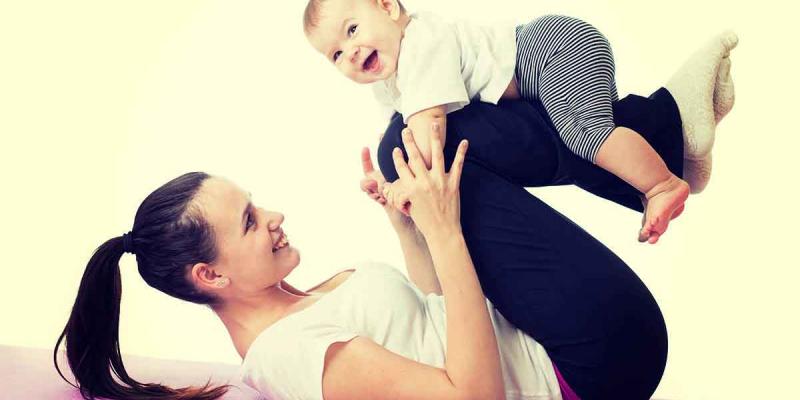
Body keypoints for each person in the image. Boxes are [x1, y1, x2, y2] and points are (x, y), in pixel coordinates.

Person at [54, 35, 736, 400]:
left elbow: (439, 318)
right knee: (405, 140)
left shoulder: (300, 307)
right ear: (211, 275)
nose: (275, 217)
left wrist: (408, 225)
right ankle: (662, 136)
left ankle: (662, 149)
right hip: (586, 367)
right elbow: (472, 395)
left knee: (404, 148)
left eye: (257, 205)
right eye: (250, 221)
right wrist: (444, 227)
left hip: (567, 337)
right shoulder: (295, 358)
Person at [303, 0, 738, 243]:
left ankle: (661, 183)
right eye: (336, 54)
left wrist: (406, 182)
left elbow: (427, 132)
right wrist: (386, 181)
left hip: (553, 49)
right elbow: (399, 138)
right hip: (539, 76)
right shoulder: (392, 82)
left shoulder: (420, 42)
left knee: (584, 135)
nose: (351, 51)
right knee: (571, 144)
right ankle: (678, 139)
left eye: (353, 30)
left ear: (387, 7)